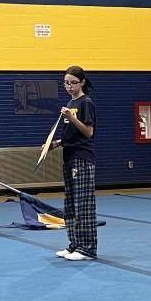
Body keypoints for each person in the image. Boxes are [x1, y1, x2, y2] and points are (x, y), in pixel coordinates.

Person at [54, 66, 97, 261]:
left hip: (82, 158)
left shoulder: (86, 102)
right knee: (70, 204)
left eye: (73, 83)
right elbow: (71, 135)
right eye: (66, 83)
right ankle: (75, 244)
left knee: (83, 205)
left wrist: (71, 117)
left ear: (82, 83)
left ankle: (88, 248)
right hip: (69, 157)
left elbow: (88, 132)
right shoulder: (70, 102)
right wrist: (56, 143)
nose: (69, 86)